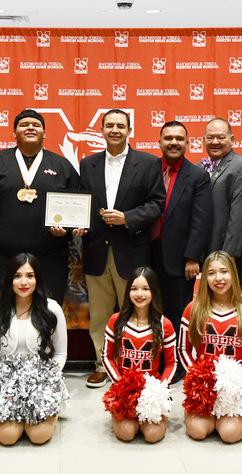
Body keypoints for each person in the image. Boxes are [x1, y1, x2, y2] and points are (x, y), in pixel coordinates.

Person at [76, 109, 165, 388]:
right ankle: (102, 365)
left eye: (120, 126)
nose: (115, 130)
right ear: (102, 130)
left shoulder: (148, 163)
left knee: (137, 312)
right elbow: (82, 203)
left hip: (132, 250)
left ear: (129, 130)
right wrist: (78, 224)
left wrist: (127, 218)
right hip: (96, 251)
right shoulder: (87, 163)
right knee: (100, 315)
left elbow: (156, 204)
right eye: (109, 125)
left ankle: (136, 365)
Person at [0, 109, 81, 303]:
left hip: (49, 256)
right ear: (14, 132)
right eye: (24, 125)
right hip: (1, 255)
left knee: (47, 310)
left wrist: (65, 230)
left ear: (44, 133)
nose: (30, 127)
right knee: (2, 309)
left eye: (36, 125)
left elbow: (75, 205)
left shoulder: (62, 165)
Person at [0, 253, 68, 445]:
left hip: (41, 383)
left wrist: (46, 380)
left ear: (38, 279)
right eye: (17, 276)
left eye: (30, 276)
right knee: (7, 437)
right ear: (9, 279)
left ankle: (50, 410)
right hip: (3, 383)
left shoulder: (52, 309)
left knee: (39, 436)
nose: (23, 282)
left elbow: (61, 354)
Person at [179, 251, 242, 443]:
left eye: (224, 272)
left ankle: (234, 416)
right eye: (211, 273)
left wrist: (240, 381)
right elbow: (183, 350)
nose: (218, 278)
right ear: (205, 278)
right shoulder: (193, 308)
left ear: (233, 274)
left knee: (229, 434)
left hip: (239, 386)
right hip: (205, 386)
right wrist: (198, 378)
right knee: (198, 431)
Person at [152, 121, 213, 357]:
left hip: (179, 259)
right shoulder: (148, 169)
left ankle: (176, 361)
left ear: (187, 143)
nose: (174, 142)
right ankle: (152, 358)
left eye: (179, 138)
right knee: (148, 309)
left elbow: (201, 219)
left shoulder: (197, 175)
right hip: (146, 253)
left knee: (177, 312)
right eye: (168, 138)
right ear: (159, 142)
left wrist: (193, 257)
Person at [102, 267, 176, 443]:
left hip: (152, 392)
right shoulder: (116, 320)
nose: (139, 294)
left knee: (153, 435)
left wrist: (159, 389)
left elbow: (171, 363)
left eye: (145, 289)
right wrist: (120, 384)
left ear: (154, 292)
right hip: (125, 392)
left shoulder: (164, 324)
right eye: (134, 289)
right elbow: (107, 356)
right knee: (126, 433)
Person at [201, 118, 242, 287]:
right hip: (205, 252)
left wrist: (227, 256)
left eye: (221, 137)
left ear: (232, 140)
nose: (215, 142)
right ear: (203, 140)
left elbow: (239, 216)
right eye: (210, 137)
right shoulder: (198, 168)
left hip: (230, 256)